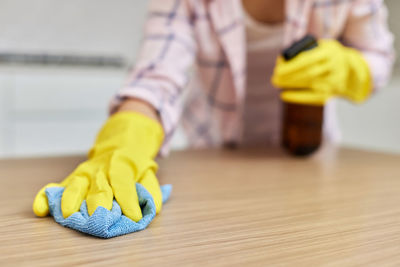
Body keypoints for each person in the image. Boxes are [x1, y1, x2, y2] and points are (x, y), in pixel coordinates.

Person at [33, 0, 394, 222]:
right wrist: (122, 143)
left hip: (310, 160)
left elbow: (381, 59)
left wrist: (352, 69)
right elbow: (156, 77)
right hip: (216, 157)